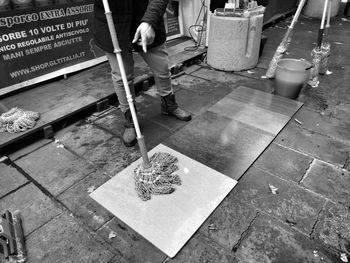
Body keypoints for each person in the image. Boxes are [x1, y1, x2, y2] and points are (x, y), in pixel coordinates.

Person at [93, 0, 191, 147]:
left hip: (147, 20)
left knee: (162, 68)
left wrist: (150, 21)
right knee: (122, 76)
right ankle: (130, 119)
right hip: (112, 26)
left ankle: (168, 105)